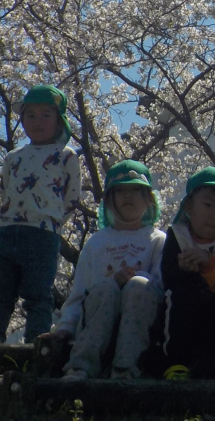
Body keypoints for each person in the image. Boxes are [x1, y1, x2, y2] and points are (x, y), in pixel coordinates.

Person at [42, 159, 165, 379]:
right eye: (120, 191)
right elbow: (80, 293)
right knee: (106, 287)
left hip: (140, 324)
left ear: (149, 199)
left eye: (136, 190)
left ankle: (127, 369)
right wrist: (65, 328)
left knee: (139, 285)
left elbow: (161, 287)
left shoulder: (158, 240)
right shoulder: (96, 243)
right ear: (109, 200)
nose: (128, 196)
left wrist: (133, 278)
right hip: (98, 322)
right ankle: (80, 367)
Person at [0, 85, 81, 344]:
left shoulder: (66, 155)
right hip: (5, 231)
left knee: (38, 294)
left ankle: (36, 345)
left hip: (42, 234)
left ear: (59, 121)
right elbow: (5, 190)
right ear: (23, 120)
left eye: (46, 115)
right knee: (0, 293)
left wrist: (52, 221)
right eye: (31, 115)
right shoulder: (13, 157)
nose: (38, 121)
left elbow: (72, 197)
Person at [156, 167, 215, 379]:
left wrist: (210, 263)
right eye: (207, 205)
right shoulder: (178, 234)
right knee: (179, 294)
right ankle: (176, 362)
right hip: (187, 310)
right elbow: (167, 276)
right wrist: (184, 270)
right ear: (189, 206)